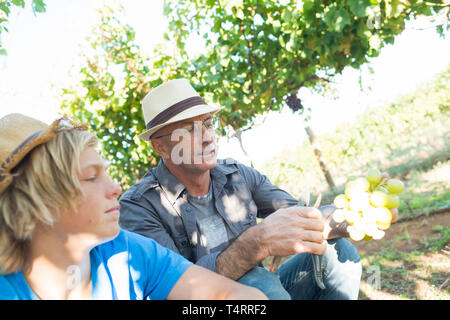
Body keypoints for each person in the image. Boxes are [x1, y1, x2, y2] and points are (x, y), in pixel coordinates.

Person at [118, 79, 400, 300]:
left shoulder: (236, 174)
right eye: (189, 130)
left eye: (207, 124)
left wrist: (350, 215)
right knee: (259, 285)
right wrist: (254, 245)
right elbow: (176, 289)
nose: (206, 137)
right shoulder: (139, 207)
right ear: (161, 146)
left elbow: (300, 215)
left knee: (339, 254)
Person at [0, 113, 268, 300]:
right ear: (38, 202)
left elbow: (234, 297)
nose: (115, 188)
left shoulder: (126, 252)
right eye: (91, 177)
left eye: (208, 125)